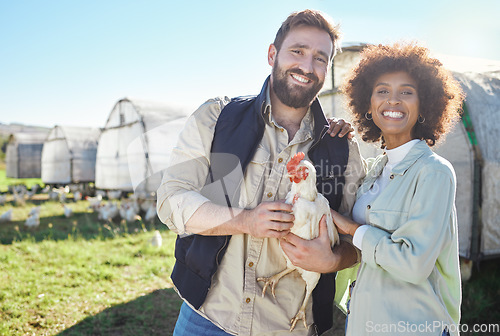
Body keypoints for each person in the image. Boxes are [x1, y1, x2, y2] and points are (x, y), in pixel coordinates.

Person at [156, 9, 365, 336]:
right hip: (208, 318)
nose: (307, 66)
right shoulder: (217, 119)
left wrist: (332, 262)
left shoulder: (343, 148)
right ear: (272, 54)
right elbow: (171, 201)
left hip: (290, 326)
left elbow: (359, 238)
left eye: (320, 58)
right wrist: (245, 220)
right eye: (297, 51)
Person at [282, 42, 464, 336]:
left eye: (406, 92)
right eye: (382, 91)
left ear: (425, 104)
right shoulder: (375, 171)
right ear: (368, 105)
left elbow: (414, 265)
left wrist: (353, 229)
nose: (393, 101)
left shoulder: (435, 172)